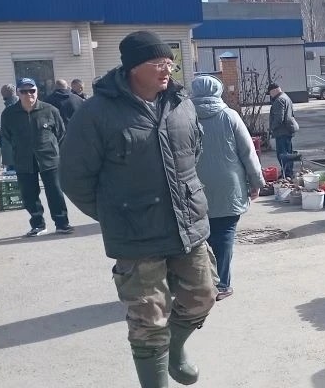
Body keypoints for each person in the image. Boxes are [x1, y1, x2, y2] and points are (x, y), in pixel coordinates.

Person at [60, 31, 216, 388]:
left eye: (169, 63)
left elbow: (193, 154)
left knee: (203, 296)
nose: (167, 70)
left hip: (187, 224)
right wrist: (115, 213)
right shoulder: (96, 113)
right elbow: (74, 178)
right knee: (148, 320)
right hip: (135, 235)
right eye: (158, 63)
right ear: (133, 68)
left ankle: (173, 350)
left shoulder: (181, 103)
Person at [191, 75, 265, 302]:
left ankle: (198, 285)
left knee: (198, 238)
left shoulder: (183, 117)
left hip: (194, 187)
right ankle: (221, 284)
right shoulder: (229, 116)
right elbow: (248, 152)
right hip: (229, 186)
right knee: (224, 235)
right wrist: (256, 182)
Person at [0, 78, 72, 237]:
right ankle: (38, 224)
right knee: (29, 194)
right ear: (18, 93)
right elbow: (7, 135)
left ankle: (62, 223)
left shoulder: (50, 110)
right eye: (24, 91)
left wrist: (52, 149)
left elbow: (60, 133)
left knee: (55, 192)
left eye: (31, 90)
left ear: (37, 92)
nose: (28, 94)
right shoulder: (9, 114)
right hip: (23, 159)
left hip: (49, 158)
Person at [268, 83, 299, 179]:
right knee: (288, 153)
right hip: (287, 130)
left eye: (270, 93)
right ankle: (288, 172)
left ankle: (287, 173)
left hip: (282, 131)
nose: (270, 95)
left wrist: (271, 128)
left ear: (274, 90)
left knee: (282, 154)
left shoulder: (279, 100)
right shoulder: (286, 97)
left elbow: (279, 118)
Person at [0, 83, 18, 173]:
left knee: (14, 173)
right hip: (12, 146)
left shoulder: (12, 106)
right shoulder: (14, 104)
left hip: (12, 147)